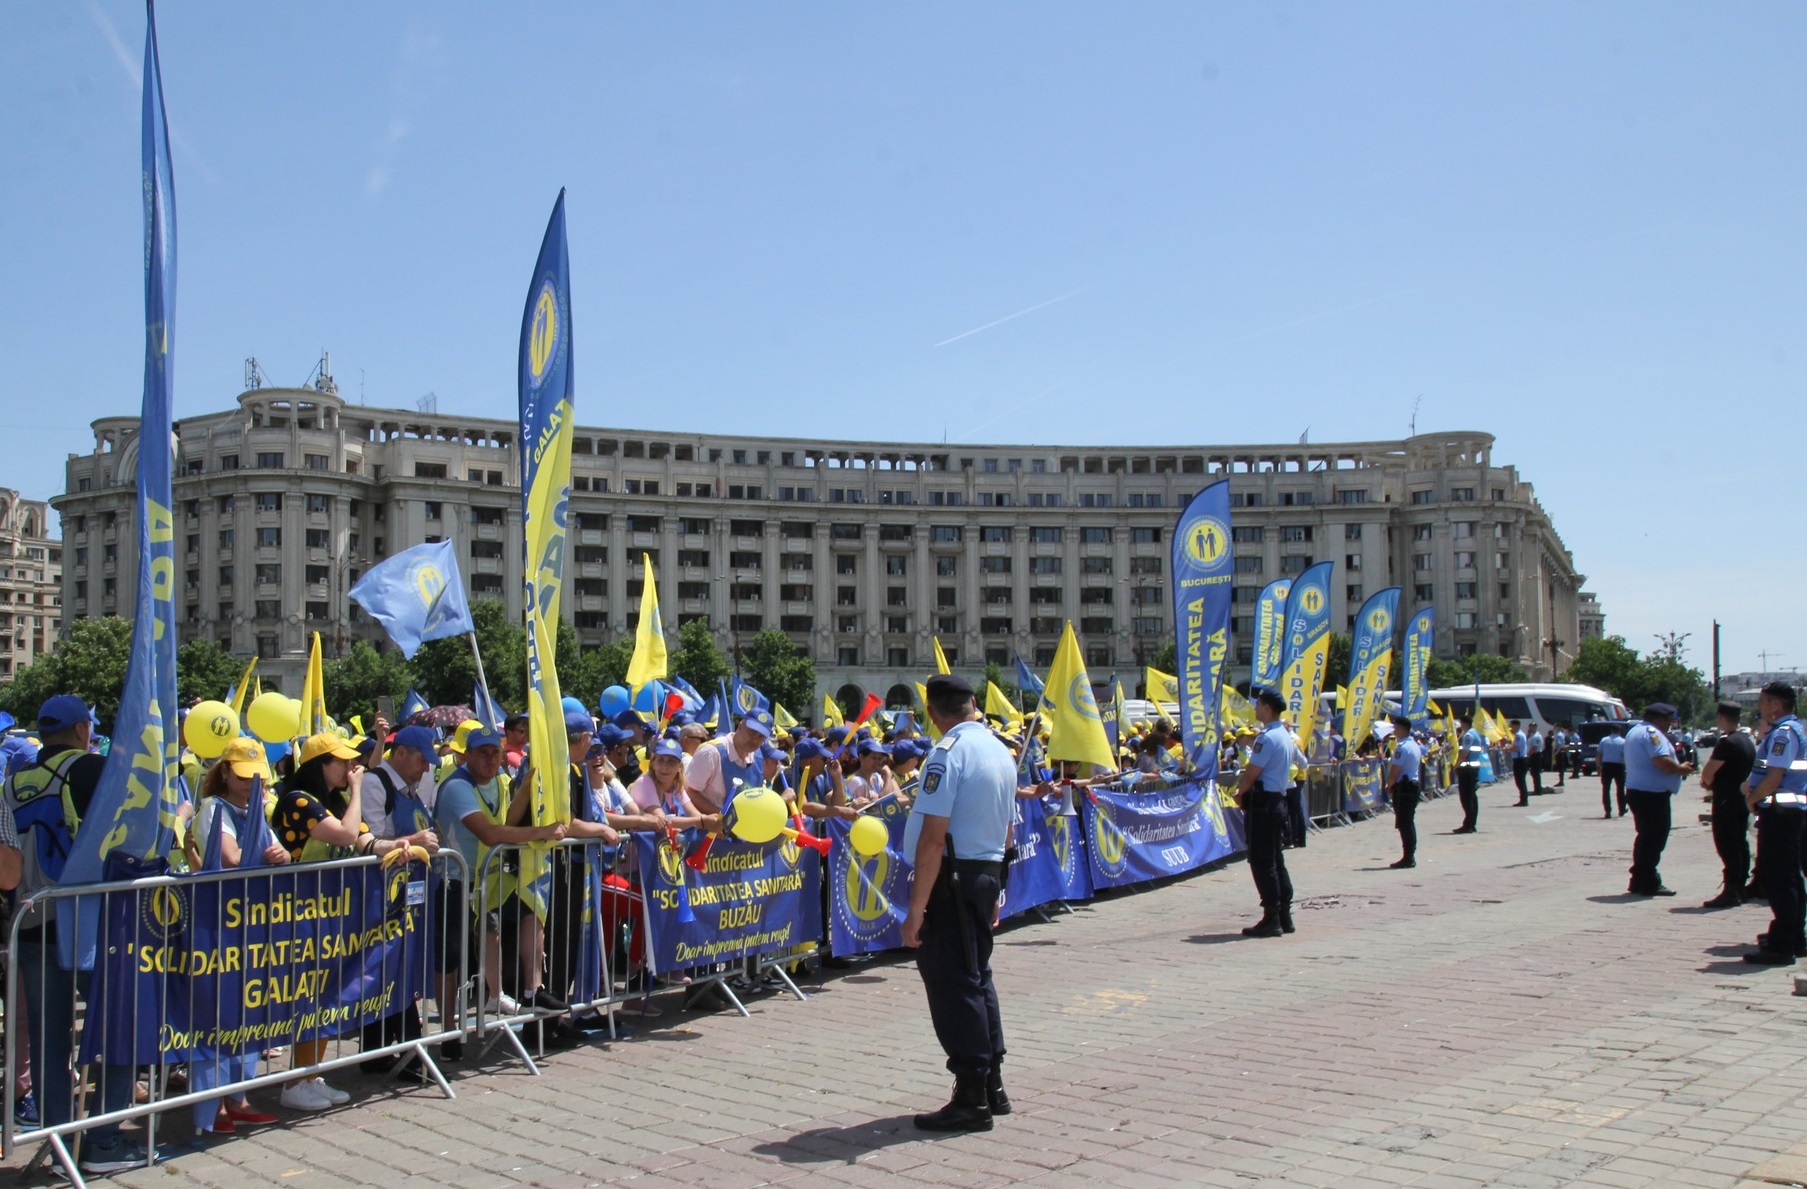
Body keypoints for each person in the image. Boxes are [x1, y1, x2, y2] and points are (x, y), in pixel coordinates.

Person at [3, 695, 152, 1172]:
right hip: (87, 922)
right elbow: (128, 835)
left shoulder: (13, 781)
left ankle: (59, 1140)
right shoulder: (91, 771)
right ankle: (103, 1140)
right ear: (84, 729)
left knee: (49, 1040)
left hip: (29, 919)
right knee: (119, 1028)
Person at [902, 674, 1017, 1132]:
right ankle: (991, 1082)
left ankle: (971, 1094)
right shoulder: (999, 750)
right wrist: (998, 887)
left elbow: (933, 839)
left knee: (953, 982)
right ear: (972, 704)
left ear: (933, 714)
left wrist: (915, 910)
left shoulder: (947, 754)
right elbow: (1009, 830)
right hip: (984, 873)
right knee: (977, 978)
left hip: (953, 878)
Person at [433, 724, 567, 1058]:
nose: (491, 759)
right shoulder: (456, 788)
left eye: (495, 752)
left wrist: (525, 785)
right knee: (450, 958)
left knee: (524, 912)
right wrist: (542, 831)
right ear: (467, 755)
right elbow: (491, 834)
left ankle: (520, 990)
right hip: (453, 881)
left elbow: (506, 817)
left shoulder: (499, 781)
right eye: (483, 753)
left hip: (485, 881)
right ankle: (449, 1030)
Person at [182, 738, 287, 1136]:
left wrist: (282, 856)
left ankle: (238, 1096)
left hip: (252, 925)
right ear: (225, 772)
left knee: (247, 1008)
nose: (249, 784)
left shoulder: (257, 810)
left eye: (255, 778)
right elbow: (231, 858)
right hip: (218, 927)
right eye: (242, 777)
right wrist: (267, 855)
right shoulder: (214, 809)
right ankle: (210, 1105)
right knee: (214, 1014)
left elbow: (276, 852)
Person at [357, 724, 442, 1073]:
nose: (425, 769)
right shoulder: (377, 784)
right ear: (401, 752)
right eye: (422, 760)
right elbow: (376, 838)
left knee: (402, 966)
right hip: (384, 894)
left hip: (412, 894)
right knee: (385, 964)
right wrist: (416, 840)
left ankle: (390, 1048)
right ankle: (389, 1048)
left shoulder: (411, 789)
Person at [1744, 683, 1807, 965]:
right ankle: (1794, 937)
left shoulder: (1783, 733)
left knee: (1781, 879)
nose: (1760, 708)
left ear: (1775, 705)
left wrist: (1753, 799)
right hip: (1789, 813)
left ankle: (1782, 944)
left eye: (1762, 702)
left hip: (1781, 813)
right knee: (1791, 876)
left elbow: (1774, 777)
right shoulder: (1794, 729)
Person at [1233, 692, 1295, 939]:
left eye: (1258, 704)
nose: (1256, 708)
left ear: (1267, 707)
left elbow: (1251, 772)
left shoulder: (1267, 738)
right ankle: (1283, 914)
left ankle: (1272, 916)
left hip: (1263, 805)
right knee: (1276, 860)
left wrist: (1240, 793)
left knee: (1262, 861)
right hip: (1276, 801)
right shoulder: (1284, 734)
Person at [1622, 703, 1693, 897]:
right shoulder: (1652, 734)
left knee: (1646, 837)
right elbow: (1661, 761)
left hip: (1640, 791)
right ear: (1658, 719)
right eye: (1668, 720)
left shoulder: (1635, 731)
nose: (1670, 725)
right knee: (1654, 839)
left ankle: (1639, 879)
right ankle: (1648, 881)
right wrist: (1681, 769)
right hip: (1651, 795)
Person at [1699, 701, 1756, 909]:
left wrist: (1706, 781)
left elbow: (1708, 772)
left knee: (1726, 844)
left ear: (1721, 717)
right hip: (1741, 799)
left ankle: (1731, 890)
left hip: (1725, 800)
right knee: (1740, 843)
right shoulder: (1747, 741)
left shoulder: (1727, 742)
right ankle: (1739, 886)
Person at [686, 709, 774, 815]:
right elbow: (689, 792)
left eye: (761, 737)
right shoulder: (711, 752)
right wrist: (724, 818)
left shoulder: (758, 757)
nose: (755, 740)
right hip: (706, 828)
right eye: (752, 733)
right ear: (740, 726)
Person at [1386, 716, 1424, 869]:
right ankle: (1409, 855)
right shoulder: (1414, 745)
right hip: (1412, 786)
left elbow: (1395, 770)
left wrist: (1389, 785)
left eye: (1396, 727)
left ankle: (1408, 857)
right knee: (1408, 822)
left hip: (1405, 788)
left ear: (1401, 729)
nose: (1394, 730)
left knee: (1404, 823)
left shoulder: (1402, 747)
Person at [1454, 714, 1484, 833]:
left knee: (1466, 797)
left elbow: (1464, 753)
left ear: (1463, 723)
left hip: (1467, 769)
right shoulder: (1475, 733)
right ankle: (1471, 823)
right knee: (1472, 797)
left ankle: (1468, 824)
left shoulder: (1468, 735)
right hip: (1472, 767)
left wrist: (1456, 765)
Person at [1598, 725, 1628, 817]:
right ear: (1620, 731)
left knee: (1606, 789)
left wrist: (1598, 767)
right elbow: (1625, 755)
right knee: (1620, 789)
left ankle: (1608, 811)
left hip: (1607, 765)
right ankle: (1622, 809)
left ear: (1611, 731)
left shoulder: (1604, 740)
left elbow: (1599, 754)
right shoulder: (1623, 741)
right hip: (1619, 765)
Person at [1509, 720, 1530, 806]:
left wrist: (1508, 749)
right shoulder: (1521, 734)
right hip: (1521, 759)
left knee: (1520, 781)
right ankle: (1523, 799)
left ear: (1516, 726)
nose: (1511, 728)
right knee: (1521, 780)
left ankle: (1524, 800)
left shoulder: (1518, 735)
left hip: (1519, 760)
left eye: (1512, 726)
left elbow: (1517, 748)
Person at [1526, 723, 1545, 796]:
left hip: (1536, 755)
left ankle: (1538, 790)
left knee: (1536, 773)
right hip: (1533, 755)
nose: (1531, 728)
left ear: (1536, 727)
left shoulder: (1537, 736)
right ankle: (1536, 789)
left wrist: (1528, 755)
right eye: (1530, 727)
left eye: (1533, 727)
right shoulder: (1531, 735)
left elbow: (1534, 748)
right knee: (1533, 772)